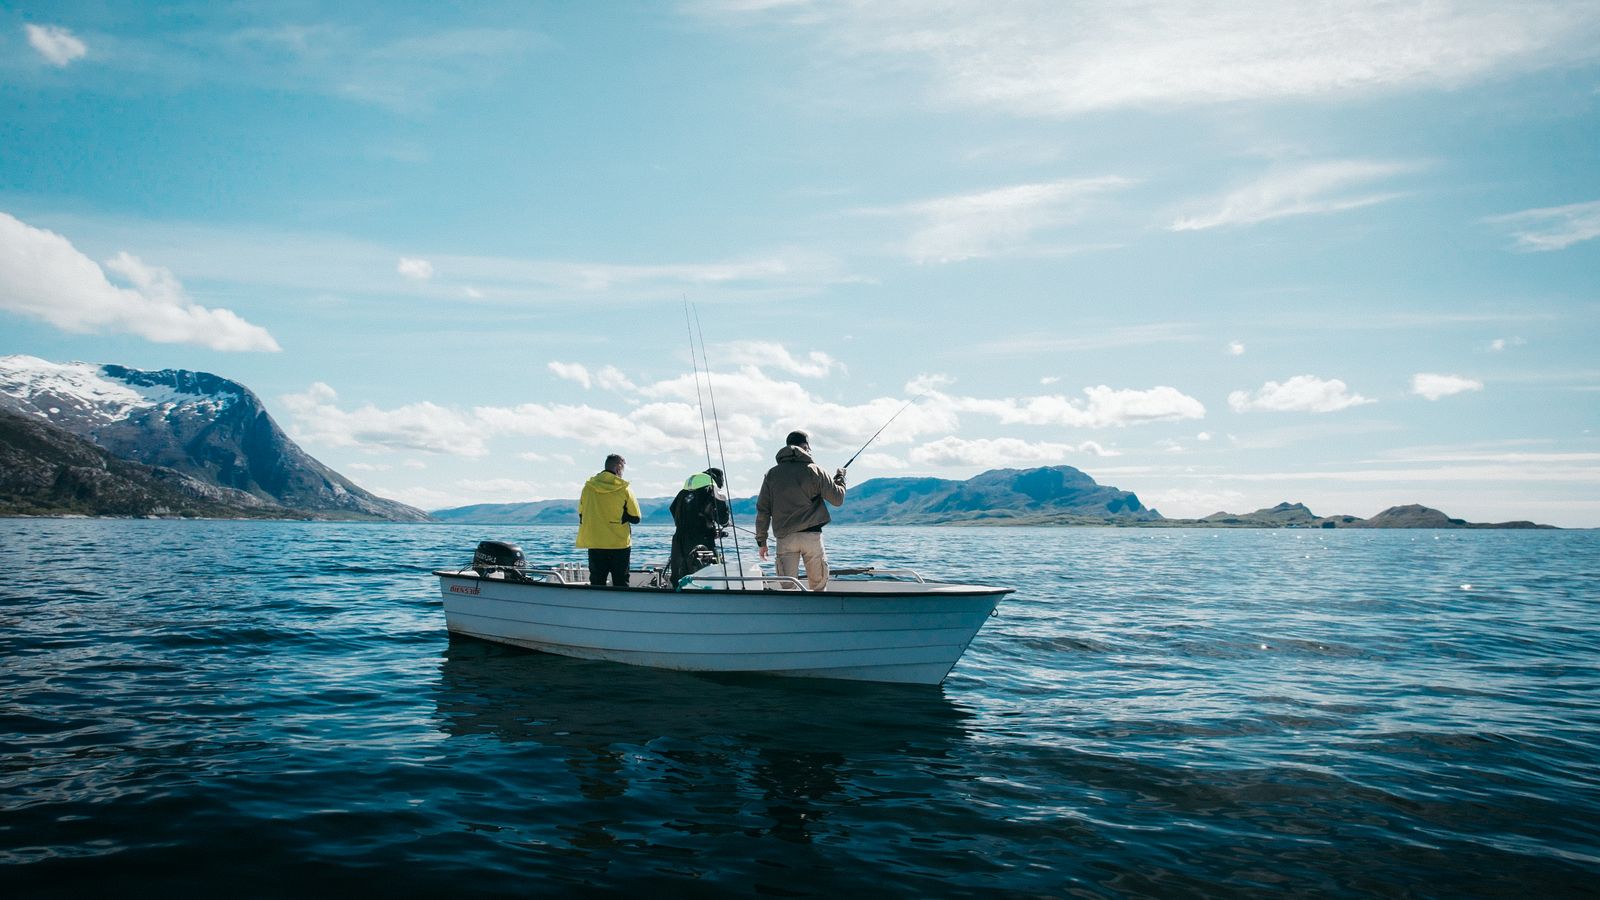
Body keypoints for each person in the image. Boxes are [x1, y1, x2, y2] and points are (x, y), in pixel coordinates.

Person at [755, 431, 846, 591]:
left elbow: (763, 511)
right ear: (805, 447)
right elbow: (837, 499)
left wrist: (762, 542)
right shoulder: (815, 470)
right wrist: (840, 478)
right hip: (812, 537)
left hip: (785, 539)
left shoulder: (772, 474)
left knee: (788, 588)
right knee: (818, 587)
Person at [576, 453, 641, 587]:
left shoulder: (587, 488)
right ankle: (620, 607)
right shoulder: (625, 489)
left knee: (597, 582)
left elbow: (581, 514)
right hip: (619, 544)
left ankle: (597, 606)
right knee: (621, 582)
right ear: (618, 468)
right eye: (623, 469)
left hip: (595, 542)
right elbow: (636, 518)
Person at [668, 467, 731, 587]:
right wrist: (714, 526)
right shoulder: (711, 489)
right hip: (701, 541)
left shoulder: (683, 492)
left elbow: (673, 509)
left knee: (679, 577)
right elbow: (722, 519)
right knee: (703, 575)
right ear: (718, 479)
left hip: (678, 539)